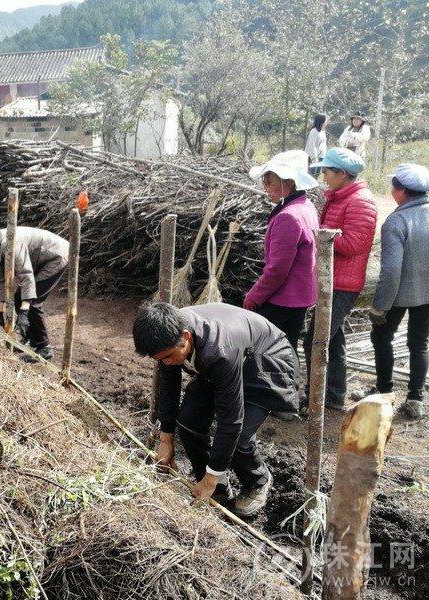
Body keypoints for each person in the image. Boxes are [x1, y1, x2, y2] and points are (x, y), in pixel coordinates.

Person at [133, 302, 298, 516]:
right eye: (159, 359)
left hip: (266, 362)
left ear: (186, 337)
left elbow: (231, 420)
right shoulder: (168, 335)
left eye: (169, 356)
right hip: (229, 359)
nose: (166, 363)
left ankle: (257, 481)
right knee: (188, 421)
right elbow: (169, 388)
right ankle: (217, 485)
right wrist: (166, 440)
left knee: (239, 436)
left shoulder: (218, 352)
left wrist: (210, 477)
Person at [305, 148, 378, 411]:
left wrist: (319, 233)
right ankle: (333, 396)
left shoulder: (360, 201)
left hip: (344, 283)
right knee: (333, 339)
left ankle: (317, 396)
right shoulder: (339, 197)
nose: (323, 175)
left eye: (326, 171)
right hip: (333, 278)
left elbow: (354, 244)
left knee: (316, 339)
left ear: (342, 174)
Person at [367, 163, 429, 420]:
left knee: (381, 336)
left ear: (401, 191)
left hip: (398, 294)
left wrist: (379, 306)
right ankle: (416, 398)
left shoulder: (397, 221)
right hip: (427, 294)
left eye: (393, 187)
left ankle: (383, 392)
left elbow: (391, 271)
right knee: (419, 343)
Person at [245, 150, 320, 352]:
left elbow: (277, 269)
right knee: (287, 349)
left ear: (289, 183)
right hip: (299, 296)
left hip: (284, 298)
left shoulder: (288, 216)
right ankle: (289, 383)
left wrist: (254, 297)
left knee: (268, 352)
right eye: (265, 183)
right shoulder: (306, 205)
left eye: (271, 183)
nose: (266, 188)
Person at [0, 225, 68, 360]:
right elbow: (0, 279)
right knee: (20, 299)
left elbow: (26, 275)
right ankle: (30, 338)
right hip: (38, 258)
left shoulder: (10, 245)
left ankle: (44, 347)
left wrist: (23, 312)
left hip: (56, 256)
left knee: (32, 303)